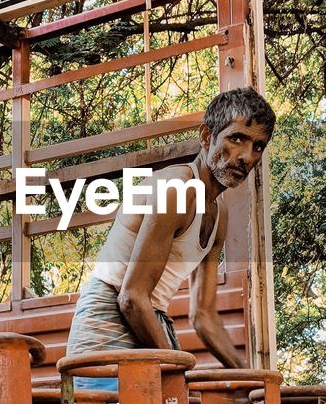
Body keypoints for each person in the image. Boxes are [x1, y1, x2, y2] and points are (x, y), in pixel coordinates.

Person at [65, 87, 275, 387]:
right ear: (206, 137)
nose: (246, 156)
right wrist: (176, 375)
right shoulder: (176, 189)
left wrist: (254, 380)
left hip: (150, 321)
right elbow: (131, 297)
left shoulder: (219, 213)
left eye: (258, 146)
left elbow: (203, 316)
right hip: (107, 324)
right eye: (237, 138)